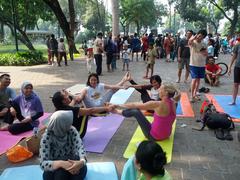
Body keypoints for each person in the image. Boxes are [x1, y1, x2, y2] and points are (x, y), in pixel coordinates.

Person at [111, 83, 181, 141]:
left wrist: (117, 105)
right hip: (167, 134)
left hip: (154, 137)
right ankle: (117, 111)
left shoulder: (157, 104)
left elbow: (134, 105)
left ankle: (116, 111)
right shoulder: (174, 103)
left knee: (135, 111)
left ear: (165, 92)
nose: (158, 90)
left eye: (160, 89)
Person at [40, 111, 87, 180]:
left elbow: (80, 147)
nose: (70, 124)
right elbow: (43, 164)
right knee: (59, 174)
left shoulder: (72, 130)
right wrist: (61, 163)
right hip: (55, 166)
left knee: (80, 170)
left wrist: (82, 162)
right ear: (62, 125)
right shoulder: (47, 137)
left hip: (72, 161)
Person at [188, 29, 208, 102]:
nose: (200, 37)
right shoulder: (193, 42)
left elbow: (206, 53)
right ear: (197, 35)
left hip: (202, 64)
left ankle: (195, 94)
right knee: (194, 79)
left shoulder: (204, 43)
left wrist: (204, 52)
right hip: (193, 64)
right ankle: (191, 96)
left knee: (198, 80)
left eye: (202, 36)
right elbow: (189, 42)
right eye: (199, 35)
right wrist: (194, 37)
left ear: (203, 37)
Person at [228, 37, 240, 105]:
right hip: (237, 67)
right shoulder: (237, 45)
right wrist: (229, 67)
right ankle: (233, 100)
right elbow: (234, 57)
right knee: (236, 84)